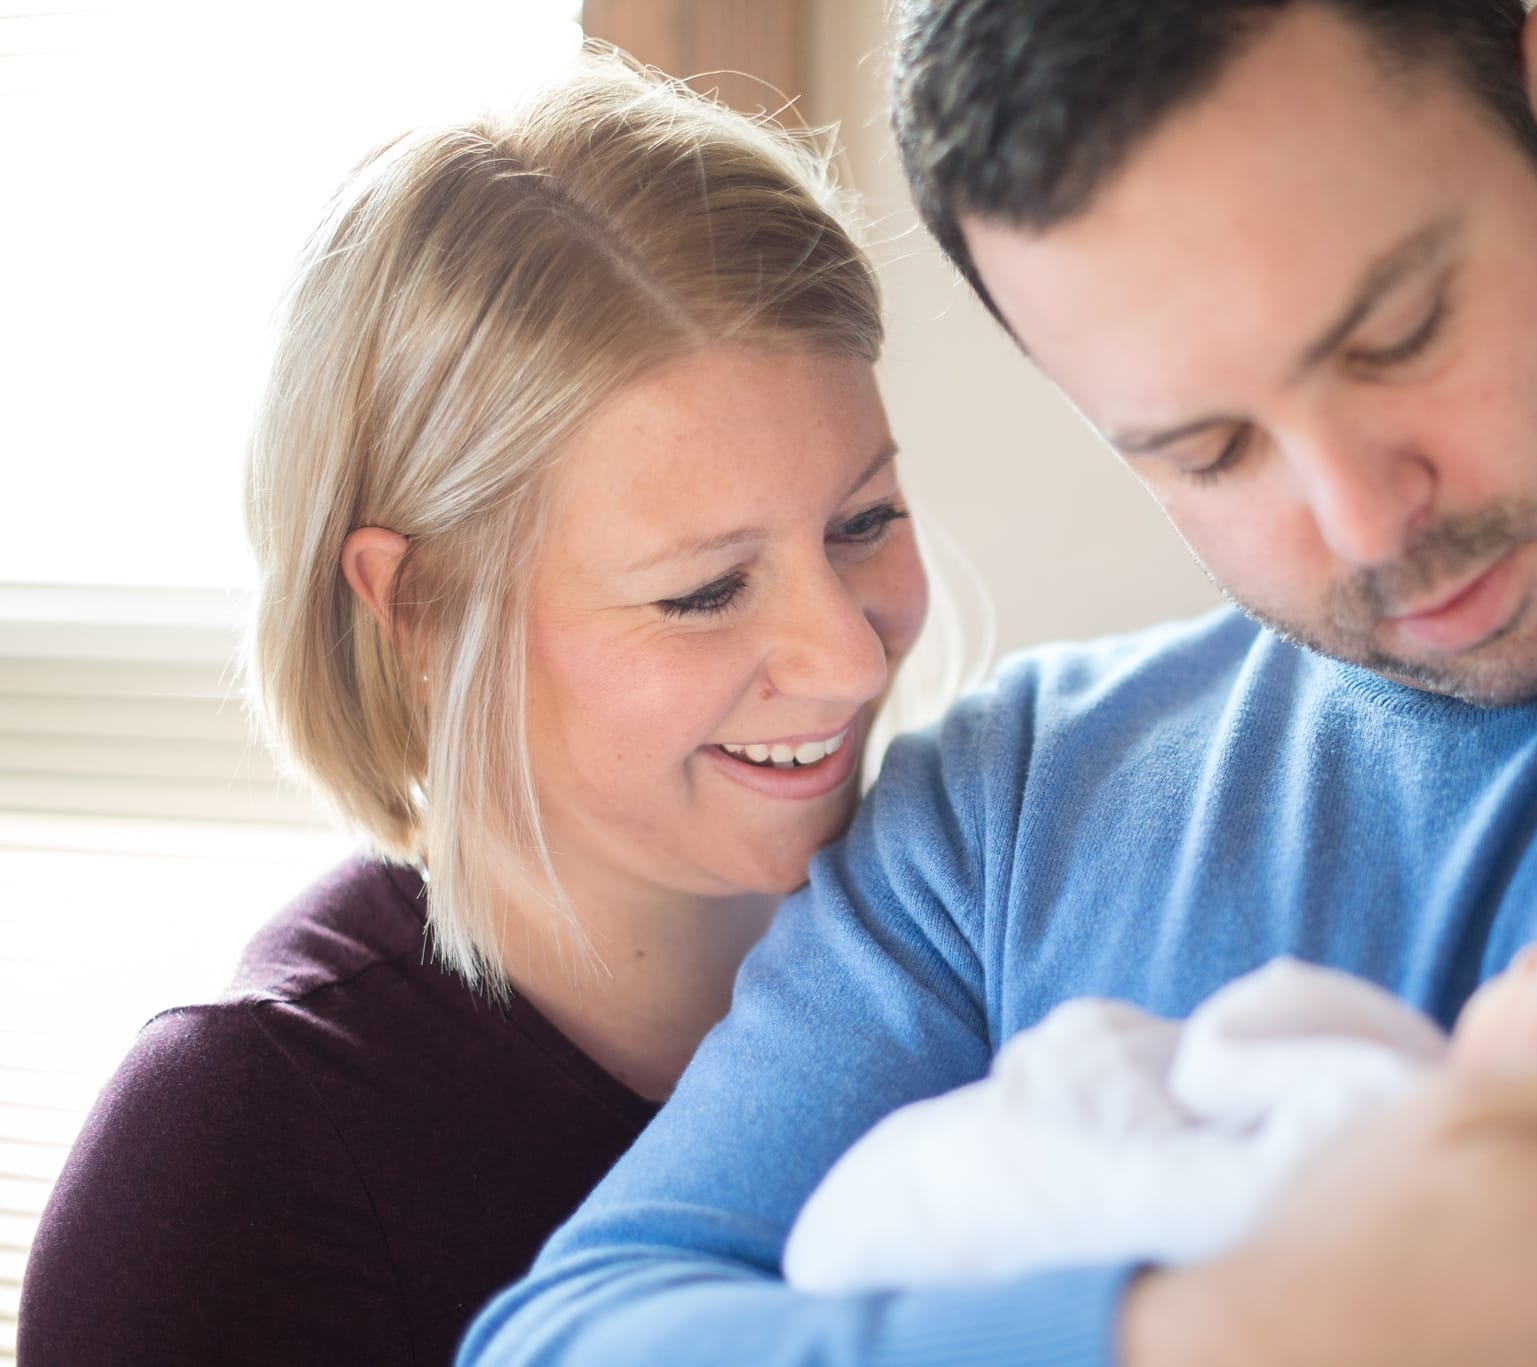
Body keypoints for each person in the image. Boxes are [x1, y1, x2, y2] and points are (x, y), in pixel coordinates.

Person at [461, 3, 1537, 1364]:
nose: (1369, 518)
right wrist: (1233, 1323)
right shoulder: (1005, 808)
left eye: (1400, 335)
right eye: (1207, 450)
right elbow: (578, 1329)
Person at [17, 54, 942, 1367]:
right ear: (422, 612)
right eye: (707, 588)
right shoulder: (235, 1158)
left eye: (864, 521)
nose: (847, 656)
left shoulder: (979, 951)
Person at [780, 854, 1537, 1295]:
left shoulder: (1386, 1112)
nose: (1528, 945)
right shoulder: (982, 800)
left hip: (904, 1235)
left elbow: (1240, 1033)